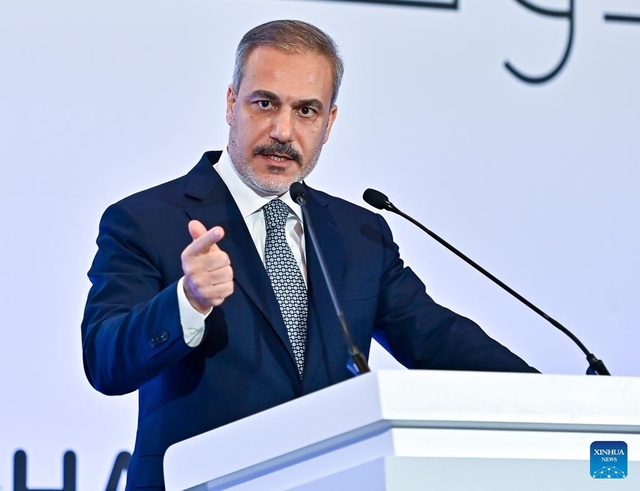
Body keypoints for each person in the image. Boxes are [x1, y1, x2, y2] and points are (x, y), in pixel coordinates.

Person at [82, 19, 537, 490]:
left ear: (329, 122)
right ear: (231, 102)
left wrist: (557, 399)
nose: (283, 130)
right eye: (265, 104)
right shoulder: (145, 219)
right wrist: (187, 301)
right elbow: (105, 360)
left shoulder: (359, 233)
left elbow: (437, 339)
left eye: (306, 111)